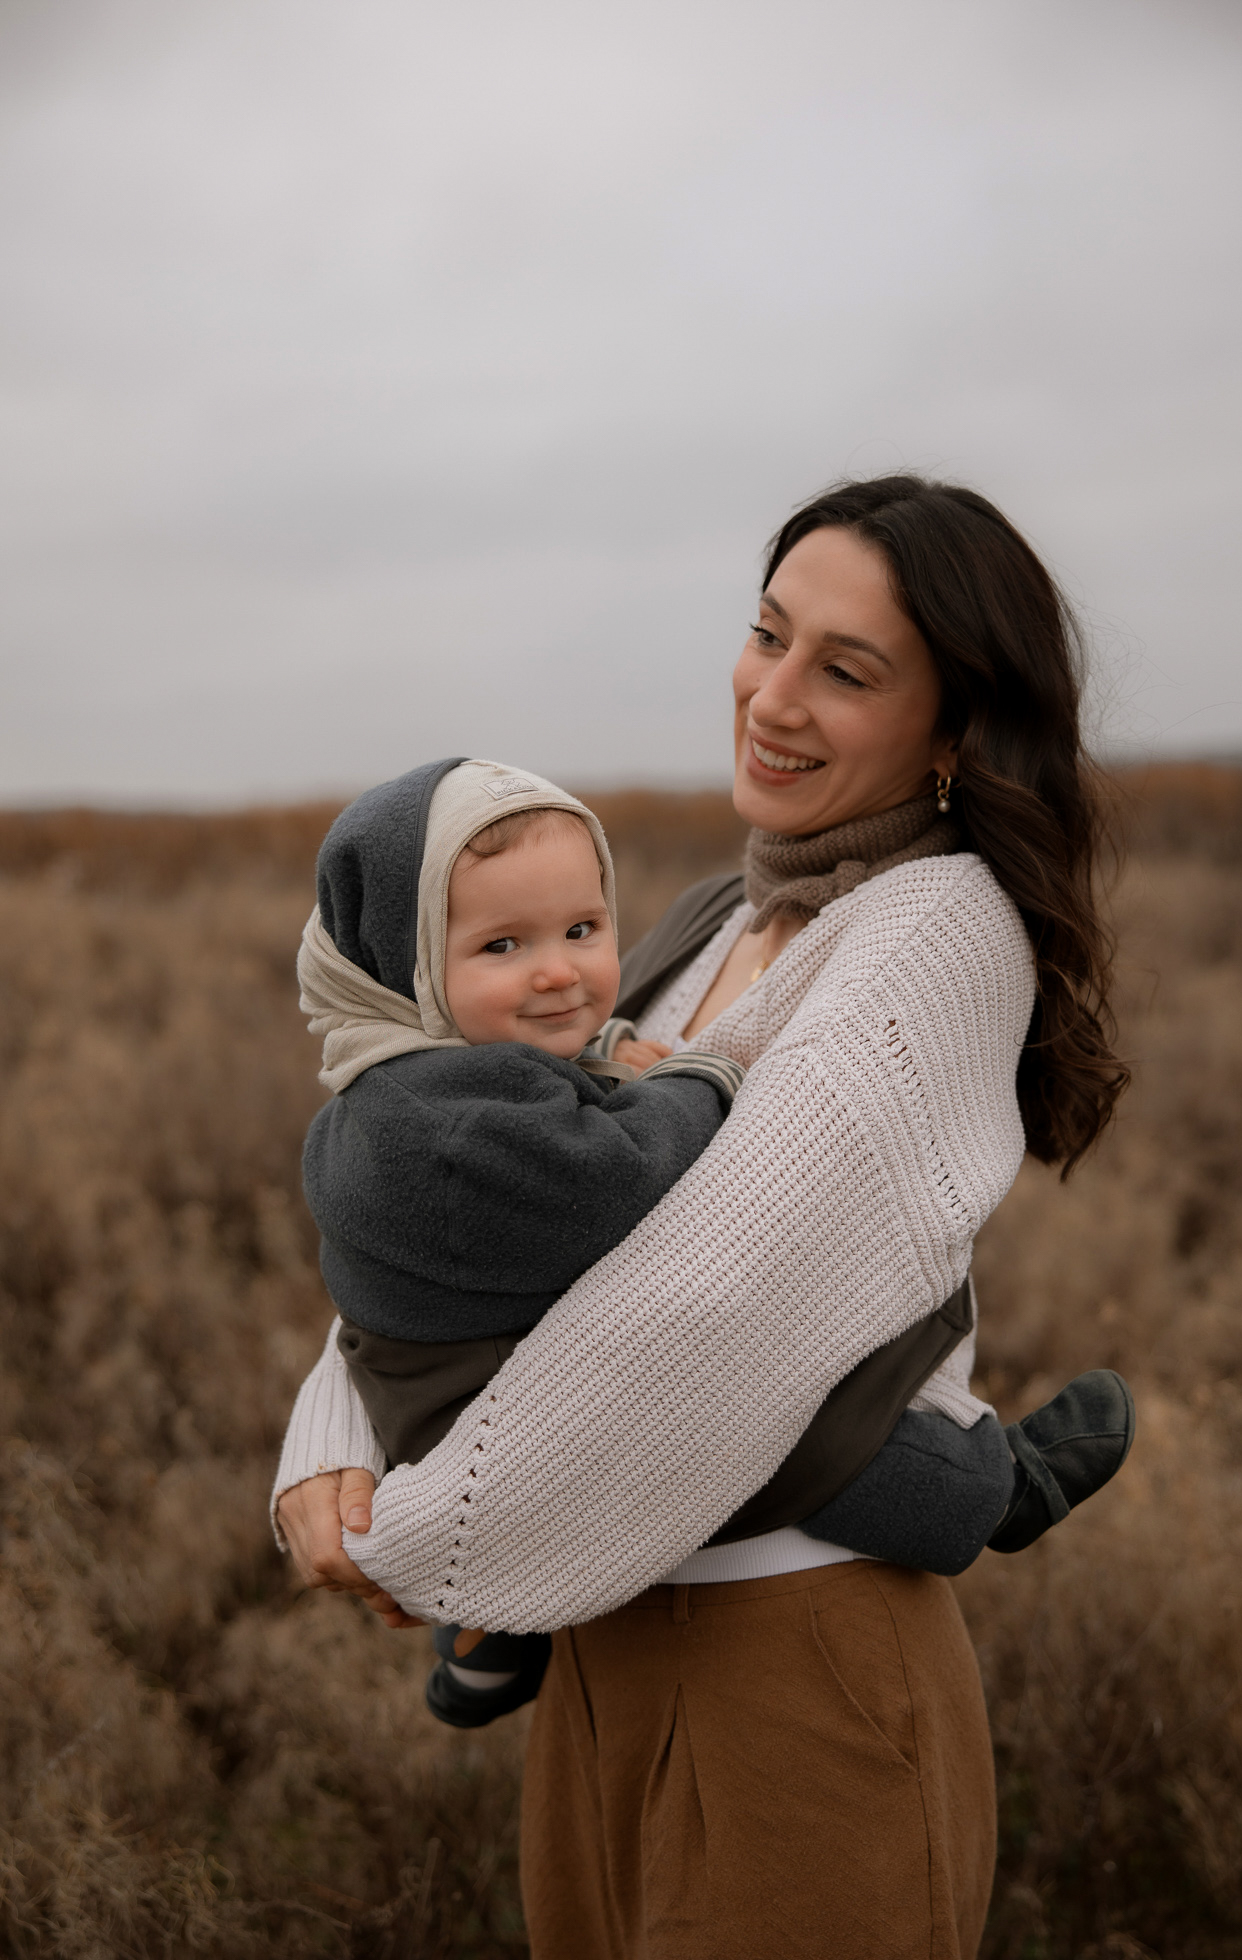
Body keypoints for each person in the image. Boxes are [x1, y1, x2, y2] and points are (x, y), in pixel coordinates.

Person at [275, 474, 1133, 1959]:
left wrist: (412, 1526)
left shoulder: (932, 933)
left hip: (790, 1662)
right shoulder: (708, 928)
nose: (771, 696)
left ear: (949, 734)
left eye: (844, 671)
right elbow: (465, 1232)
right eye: (765, 633)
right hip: (603, 1633)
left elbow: (702, 1311)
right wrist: (326, 1447)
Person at [286, 752, 1134, 1734]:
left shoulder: (391, 1089)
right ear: (407, 968)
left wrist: (602, 1057)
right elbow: (617, 1179)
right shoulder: (457, 1117)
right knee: (807, 1430)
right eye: (501, 945)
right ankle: (987, 1492)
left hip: (438, 1402)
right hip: (508, 1416)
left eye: (580, 928)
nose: (559, 968)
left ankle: (488, 1641)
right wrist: (695, 1080)